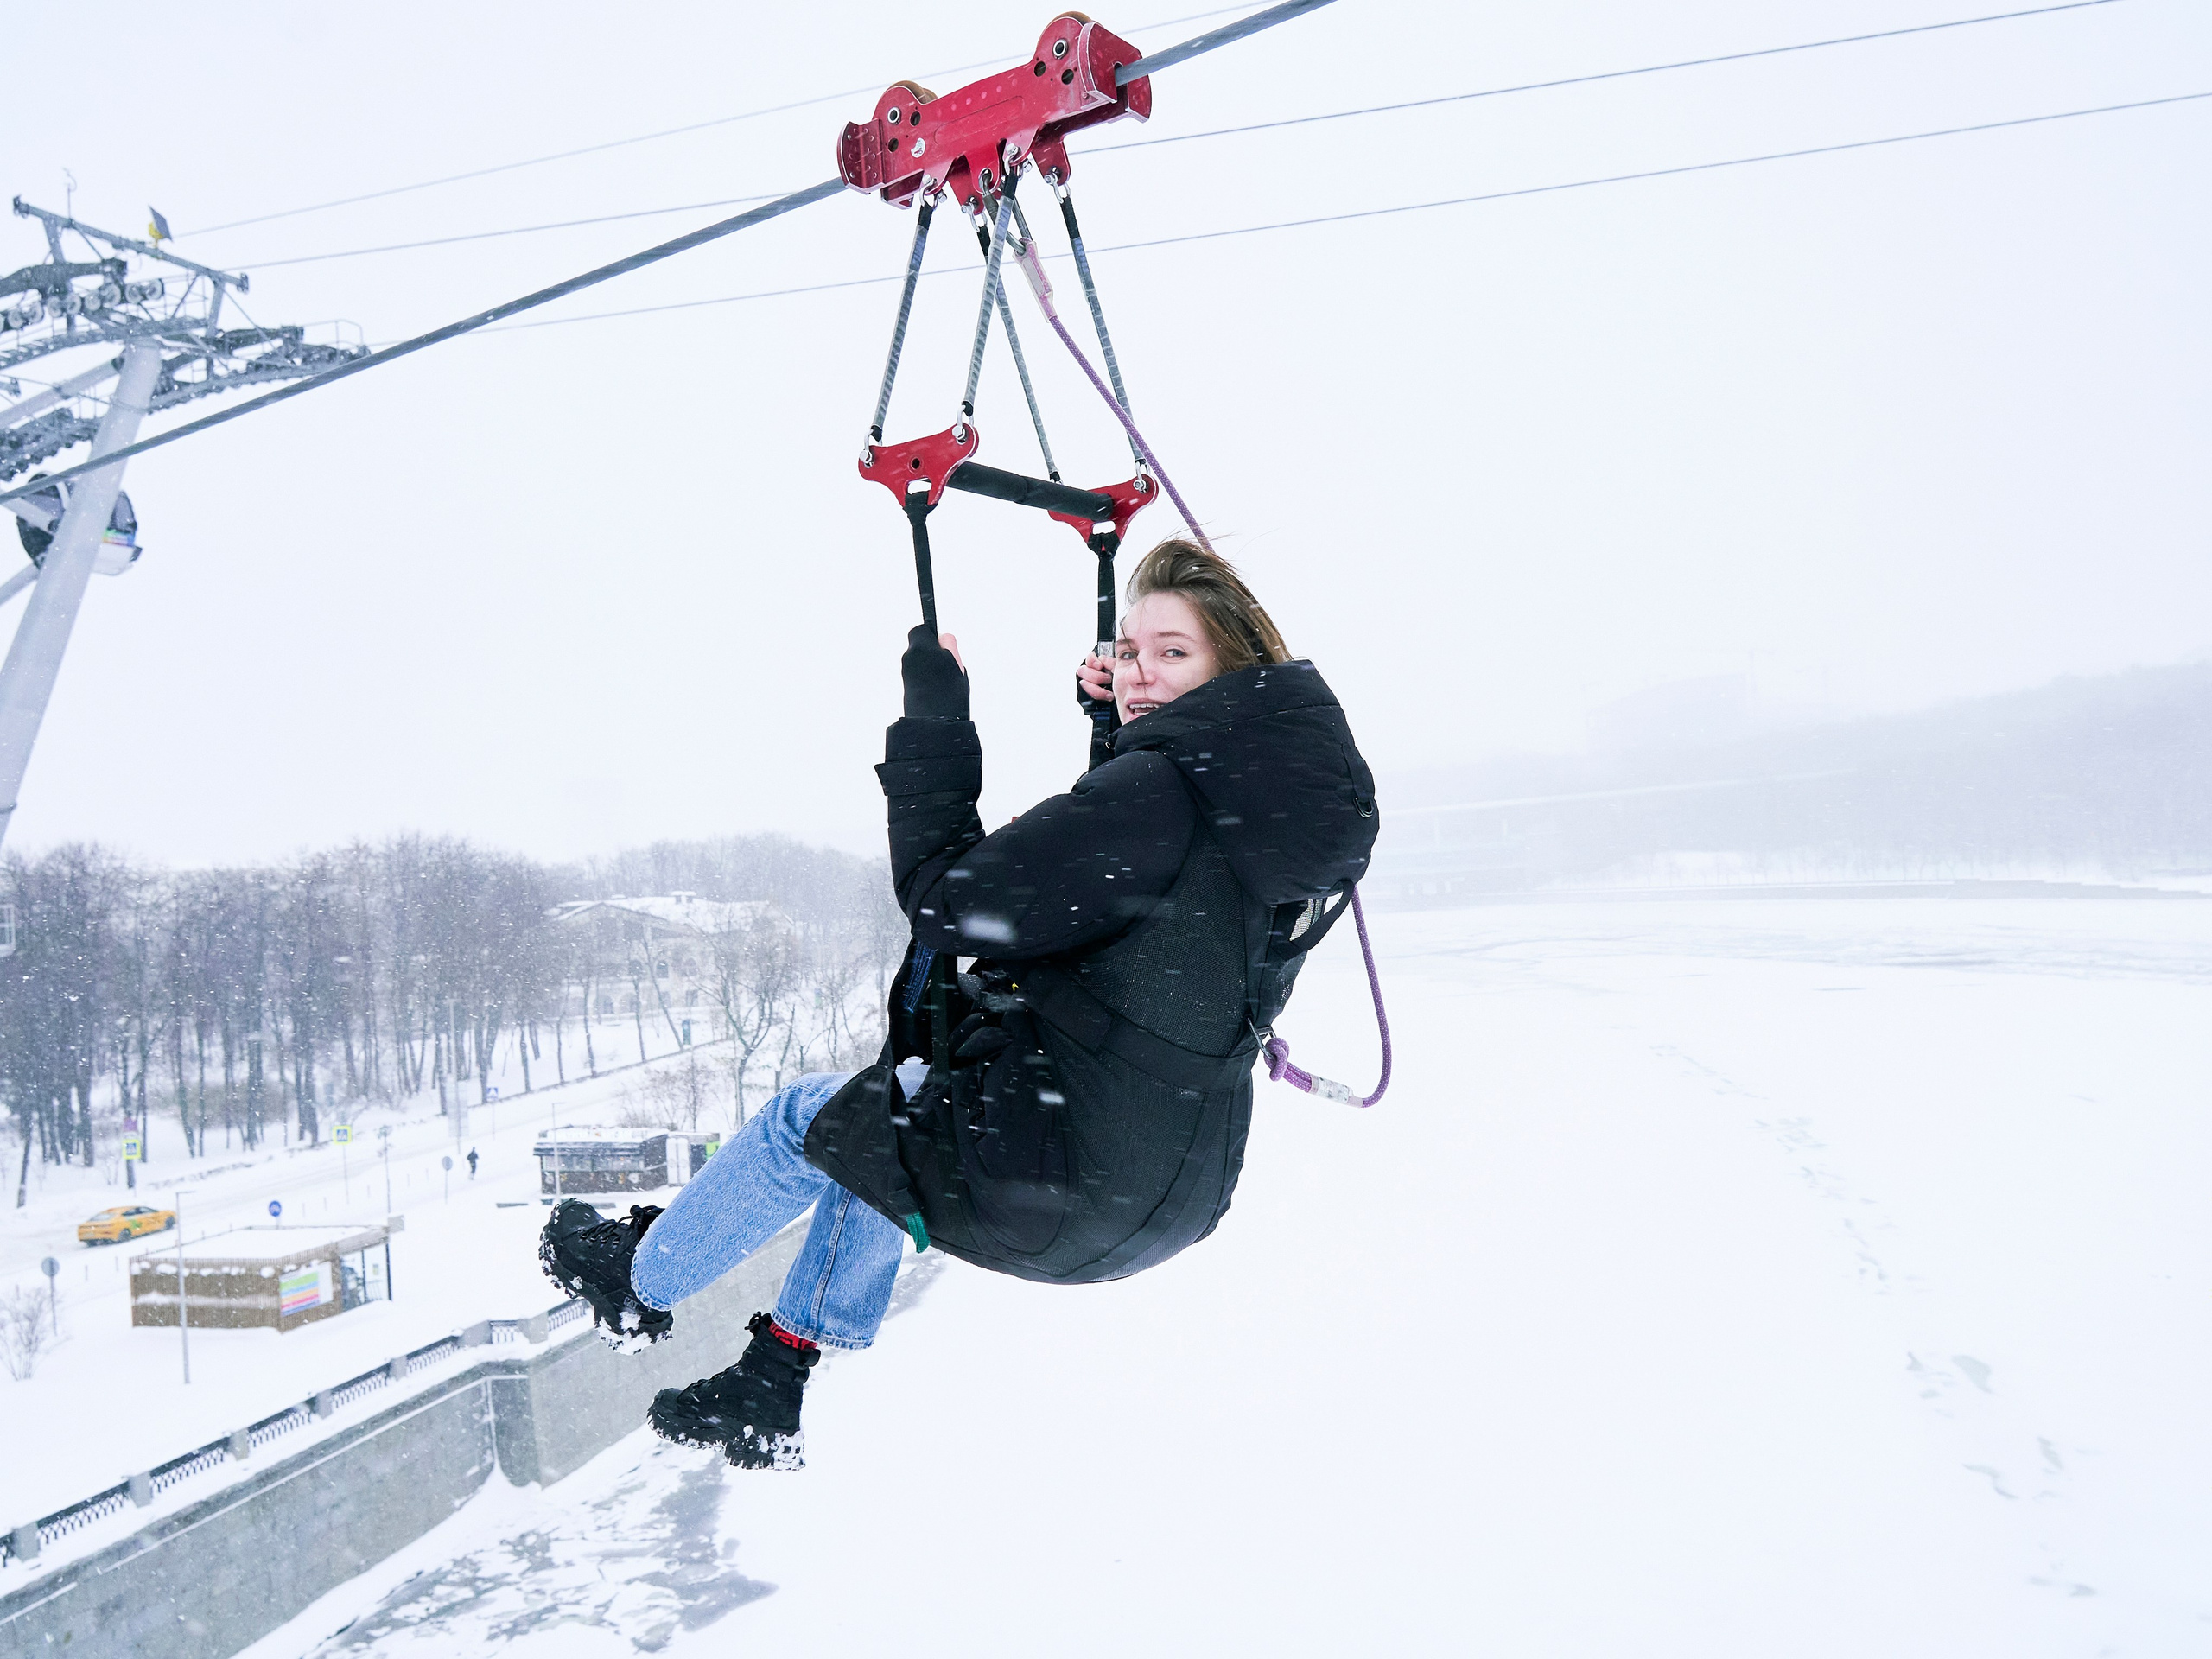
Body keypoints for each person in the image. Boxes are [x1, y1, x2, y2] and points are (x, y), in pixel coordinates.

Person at [541, 539, 1376, 1469]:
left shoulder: (1161, 796)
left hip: (1064, 1189)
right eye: (1131, 651)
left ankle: (636, 1281)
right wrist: (1118, 726)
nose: (1139, 671)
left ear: (1236, 662)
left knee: (803, 1120)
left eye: (1172, 652)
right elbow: (1151, 882)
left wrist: (933, 724)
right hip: (1168, 1194)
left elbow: (947, 900)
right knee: (895, 1110)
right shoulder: (1293, 812)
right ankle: (774, 1377)